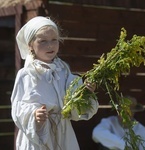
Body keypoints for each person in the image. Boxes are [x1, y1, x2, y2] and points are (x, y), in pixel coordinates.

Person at [11, 16, 99, 150]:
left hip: (64, 135)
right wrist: (34, 115)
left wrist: (85, 93)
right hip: (38, 139)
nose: (50, 45)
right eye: (43, 41)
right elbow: (18, 108)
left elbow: (74, 105)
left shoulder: (63, 71)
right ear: (31, 46)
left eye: (54, 40)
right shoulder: (26, 75)